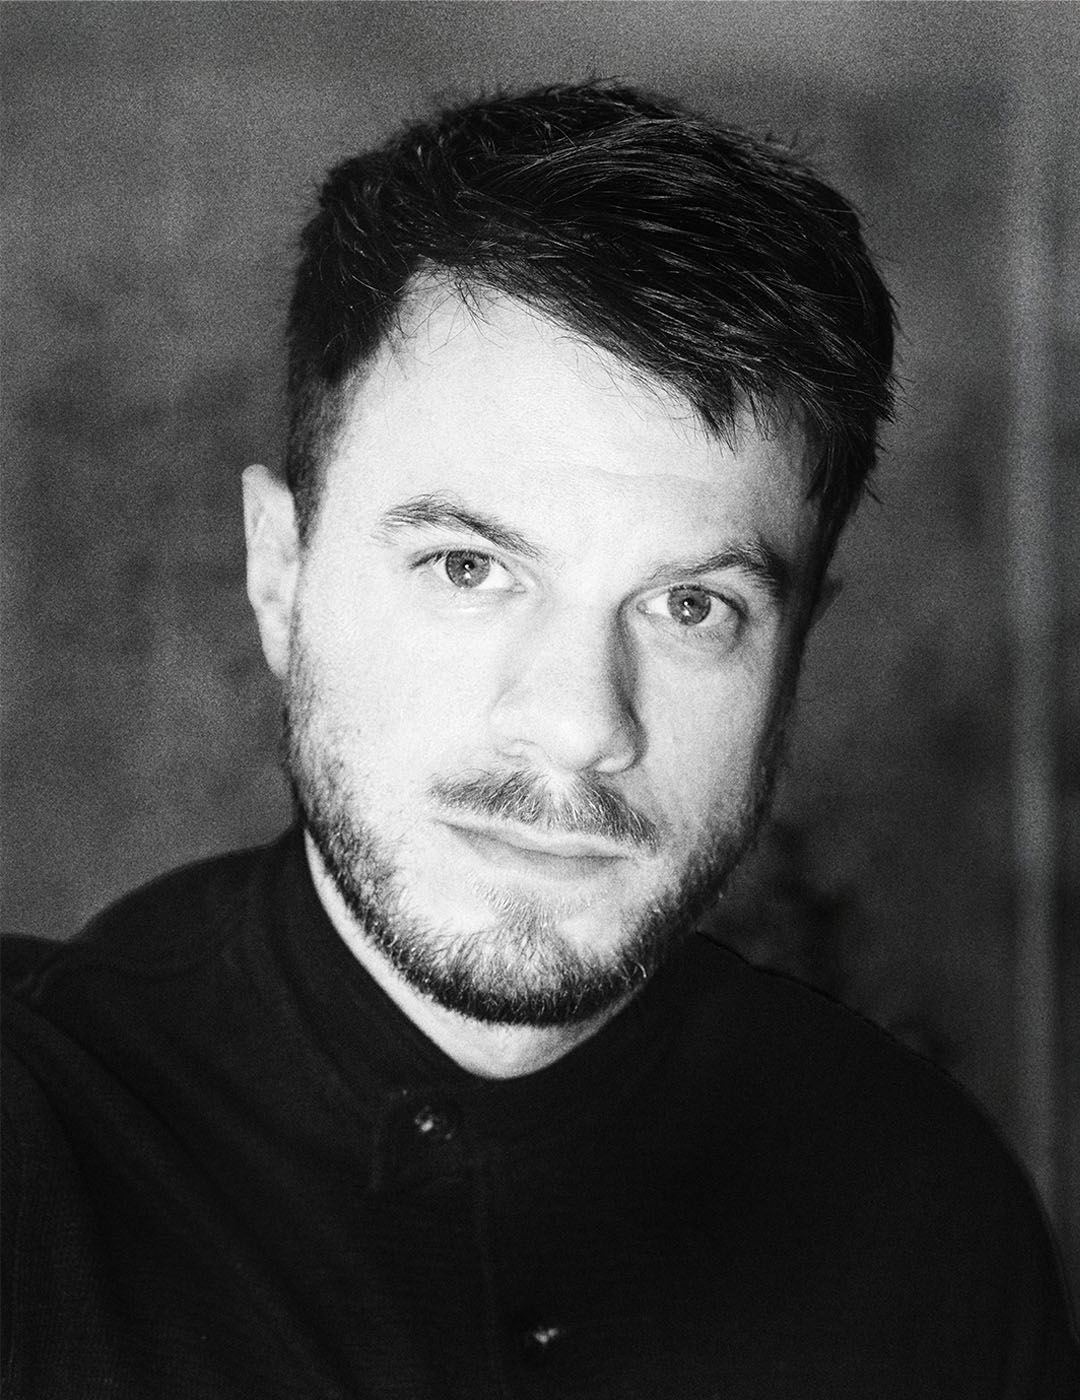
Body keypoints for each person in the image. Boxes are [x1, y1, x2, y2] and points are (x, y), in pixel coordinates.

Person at [3, 81, 1076, 1400]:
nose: (578, 725)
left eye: (692, 607)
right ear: (280, 573)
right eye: (468, 568)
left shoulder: (932, 1221)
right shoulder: (37, 1155)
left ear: (795, 650)